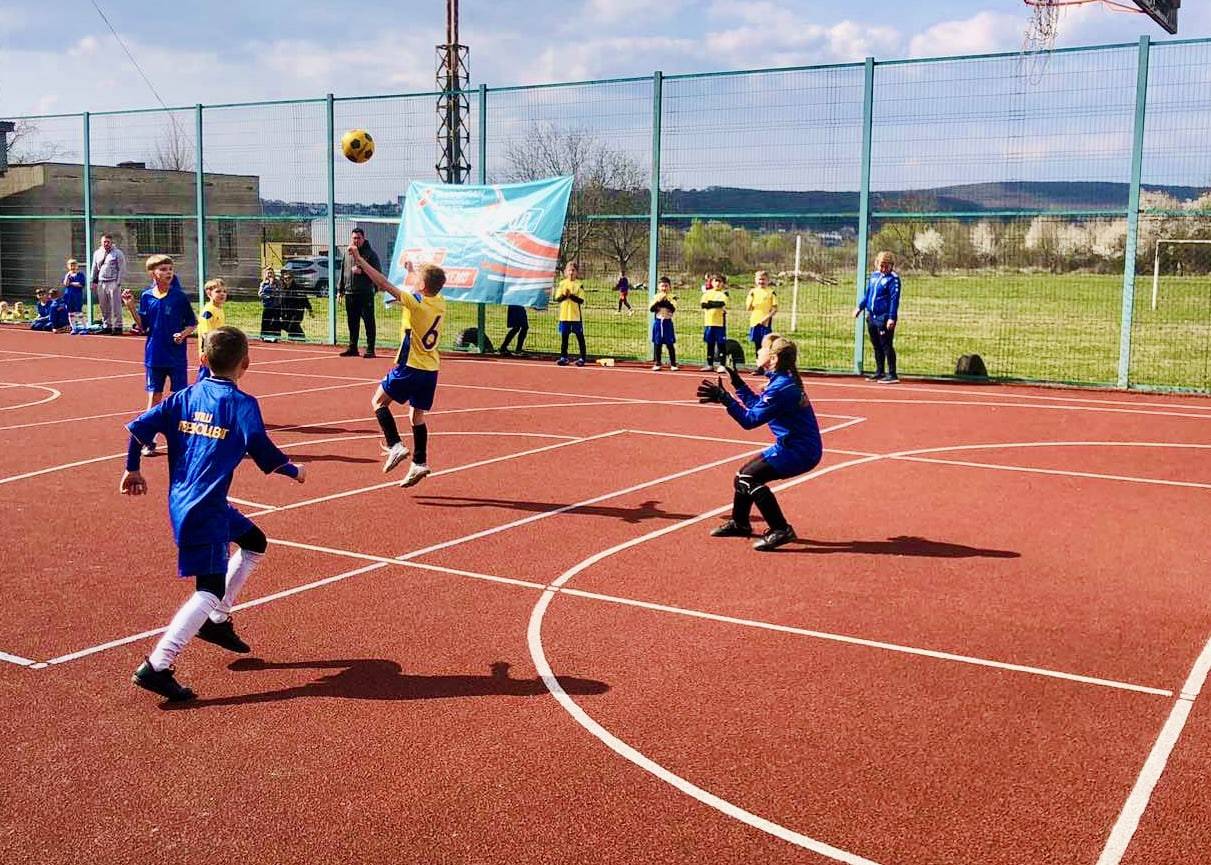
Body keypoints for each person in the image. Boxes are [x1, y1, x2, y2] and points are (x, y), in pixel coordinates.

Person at [122, 326, 306, 702]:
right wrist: (293, 470)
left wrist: (132, 468)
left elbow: (139, 429)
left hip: (195, 501)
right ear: (246, 364)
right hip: (204, 508)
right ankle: (157, 665)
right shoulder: (242, 404)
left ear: (201, 360)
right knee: (208, 587)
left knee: (254, 542)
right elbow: (261, 447)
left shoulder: (184, 397)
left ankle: (217, 620)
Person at [697, 334, 822, 552]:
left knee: (748, 478)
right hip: (792, 446)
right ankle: (741, 523)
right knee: (742, 476)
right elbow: (757, 407)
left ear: (773, 358)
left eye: (762, 349)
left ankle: (781, 529)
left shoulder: (781, 387)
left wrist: (725, 399)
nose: (757, 351)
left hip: (800, 451)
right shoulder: (781, 382)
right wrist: (737, 383)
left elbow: (750, 420)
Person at [347, 239, 446, 490]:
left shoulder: (415, 302)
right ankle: (420, 461)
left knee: (378, 402)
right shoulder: (439, 302)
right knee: (416, 415)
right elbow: (425, 287)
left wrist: (360, 261)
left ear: (421, 285)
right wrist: (413, 271)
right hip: (431, 369)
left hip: (410, 366)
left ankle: (395, 445)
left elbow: (382, 283)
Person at [121, 255, 198, 456]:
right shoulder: (147, 297)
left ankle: (184, 439)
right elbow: (142, 325)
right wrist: (130, 306)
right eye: (163, 269)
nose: (168, 272)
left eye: (170, 269)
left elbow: (192, 323)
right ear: (153, 273)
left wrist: (182, 335)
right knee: (154, 397)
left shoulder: (179, 297)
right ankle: (149, 440)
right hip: (154, 354)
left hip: (176, 356)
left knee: (180, 397)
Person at [853, 250, 902, 383]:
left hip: (884, 317)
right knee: (876, 345)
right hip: (872, 316)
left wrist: (891, 317)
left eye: (887, 265)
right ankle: (879, 371)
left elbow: (894, 299)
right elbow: (868, 294)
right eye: (881, 265)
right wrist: (860, 307)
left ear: (892, 265)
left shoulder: (893, 279)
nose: (883, 268)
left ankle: (892, 374)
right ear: (876, 264)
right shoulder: (874, 276)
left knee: (886, 344)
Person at [338, 227, 381, 358]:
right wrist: (340, 290)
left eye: (358, 238)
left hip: (365, 293)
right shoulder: (347, 253)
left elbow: (377, 274)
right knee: (352, 321)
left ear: (363, 238)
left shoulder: (370, 254)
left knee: (368, 321)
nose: (356, 240)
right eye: (354, 238)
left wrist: (362, 272)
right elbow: (343, 271)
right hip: (350, 293)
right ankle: (352, 347)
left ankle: (370, 349)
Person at [90, 233, 127, 335]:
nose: (106, 244)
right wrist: (93, 281)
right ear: (101, 243)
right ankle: (107, 325)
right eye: (104, 242)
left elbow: (122, 268)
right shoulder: (97, 253)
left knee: (115, 305)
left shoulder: (117, 253)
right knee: (103, 305)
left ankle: (118, 326)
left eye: (108, 242)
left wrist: (118, 282)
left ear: (111, 242)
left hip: (113, 281)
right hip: (101, 282)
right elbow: (94, 268)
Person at [554, 261, 587, 367]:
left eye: (573, 270)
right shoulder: (562, 284)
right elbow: (558, 299)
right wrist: (565, 295)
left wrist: (571, 296)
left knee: (580, 337)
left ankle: (582, 358)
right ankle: (564, 357)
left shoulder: (579, 284)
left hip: (576, 316)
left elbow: (581, 300)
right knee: (564, 338)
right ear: (565, 272)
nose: (571, 272)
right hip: (564, 316)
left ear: (577, 272)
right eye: (569, 270)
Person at [745, 270, 778, 374]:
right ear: (755, 280)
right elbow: (748, 308)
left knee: (767, 345)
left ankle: (770, 366)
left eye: (763, 279)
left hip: (765, 323)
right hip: (755, 322)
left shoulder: (771, 292)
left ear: (768, 280)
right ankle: (759, 367)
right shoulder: (753, 292)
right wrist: (750, 298)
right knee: (757, 346)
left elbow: (774, 309)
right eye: (759, 279)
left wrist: (766, 318)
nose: (761, 281)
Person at [196, 278, 227, 382]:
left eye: (224, 291)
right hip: (209, 353)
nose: (222, 294)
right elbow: (206, 334)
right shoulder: (208, 311)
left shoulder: (219, 309)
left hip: (218, 351)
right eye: (218, 291)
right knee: (204, 382)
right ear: (209, 293)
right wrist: (207, 353)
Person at [700, 273, 729, 373]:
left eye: (720, 281)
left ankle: (722, 364)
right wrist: (713, 304)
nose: (717, 283)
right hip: (709, 322)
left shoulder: (724, 294)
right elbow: (703, 305)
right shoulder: (707, 294)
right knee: (710, 344)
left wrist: (710, 304)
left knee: (721, 344)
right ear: (711, 282)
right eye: (715, 281)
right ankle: (709, 364)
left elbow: (721, 303)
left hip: (720, 323)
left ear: (723, 283)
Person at [649, 276, 679, 371]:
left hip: (667, 322)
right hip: (658, 322)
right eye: (662, 286)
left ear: (669, 287)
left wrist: (664, 303)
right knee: (658, 344)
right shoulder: (656, 297)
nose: (664, 288)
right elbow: (652, 309)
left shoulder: (672, 297)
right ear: (658, 287)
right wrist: (659, 301)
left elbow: (672, 308)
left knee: (670, 344)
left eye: (666, 286)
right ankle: (658, 363)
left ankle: (673, 363)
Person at [279, 270, 312, 342]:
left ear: (292, 278)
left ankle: (294, 340)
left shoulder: (298, 288)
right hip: (286, 313)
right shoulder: (282, 289)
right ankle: (301, 338)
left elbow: (305, 300)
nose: (287, 280)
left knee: (292, 326)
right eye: (285, 278)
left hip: (297, 313)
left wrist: (310, 310)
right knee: (287, 326)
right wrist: (281, 314)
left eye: (289, 278)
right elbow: (281, 303)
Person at [62, 258, 87, 334]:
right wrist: (67, 276)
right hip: (68, 296)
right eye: (71, 265)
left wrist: (72, 283)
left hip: (77, 296)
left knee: (78, 312)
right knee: (70, 312)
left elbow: (81, 284)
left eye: (74, 265)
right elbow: (66, 283)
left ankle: (84, 328)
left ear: (77, 266)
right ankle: (74, 328)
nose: (72, 267)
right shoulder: (68, 275)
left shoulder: (80, 274)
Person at [258, 266, 282, 342]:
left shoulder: (278, 282)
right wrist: (267, 296)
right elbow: (260, 293)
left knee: (276, 321)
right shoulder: (263, 283)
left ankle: (276, 337)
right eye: (268, 273)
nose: (270, 275)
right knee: (265, 321)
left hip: (276, 305)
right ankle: (264, 336)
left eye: (271, 273)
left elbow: (279, 292)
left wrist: (271, 285)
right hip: (267, 305)